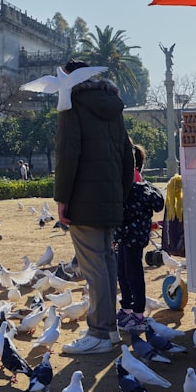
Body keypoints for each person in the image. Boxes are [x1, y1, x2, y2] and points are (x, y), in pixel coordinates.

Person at [54, 60, 134, 355]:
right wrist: (120, 195)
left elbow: (67, 153)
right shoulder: (113, 106)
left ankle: (99, 332)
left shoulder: (71, 103)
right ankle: (110, 329)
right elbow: (128, 156)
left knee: (93, 267)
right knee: (106, 263)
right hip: (110, 196)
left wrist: (62, 199)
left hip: (83, 199)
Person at [115, 143, 164, 333]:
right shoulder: (130, 175)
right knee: (123, 272)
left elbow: (126, 208)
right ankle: (128, 309)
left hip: (131, 236)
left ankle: (137, 314)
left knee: (132, 274)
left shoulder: (131, 177)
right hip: (126, 235)